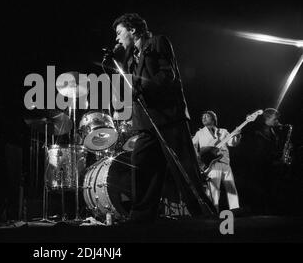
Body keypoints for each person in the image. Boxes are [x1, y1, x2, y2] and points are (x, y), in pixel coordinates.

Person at [106, 13, 214, 224]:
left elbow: (167, 75)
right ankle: (142, 217)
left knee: (183, 168)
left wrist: (142, 88)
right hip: (147, 123)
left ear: (133, 30)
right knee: (142, 162)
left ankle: (203, 214)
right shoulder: (130, 58)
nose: (117, 39)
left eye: (119, 33)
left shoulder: (157, 42)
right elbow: (131, 88)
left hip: (169, 117)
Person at [237, 108, 285, 214]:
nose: (277, 121)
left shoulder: (272, 131)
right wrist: (274, 159)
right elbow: (261, 151)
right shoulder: (258, 130)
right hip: (259, 168)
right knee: (259, 194)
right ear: (267, 117)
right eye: (275, 119)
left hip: (267, 167)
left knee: (267, 193)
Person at [192, 111, 240, 212]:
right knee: (214, 191)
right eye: (203, 117)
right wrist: (198, 157)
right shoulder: (199, 133)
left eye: (207, 116)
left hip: (225, 162)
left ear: (213, 119)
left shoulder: (223, 131)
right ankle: (213, 211)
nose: (204, 118)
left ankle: (235, 210)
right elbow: (192, 145)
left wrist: (237, 136)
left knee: (231, 188)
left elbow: (232, 143)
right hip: (211, 163)